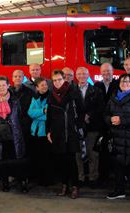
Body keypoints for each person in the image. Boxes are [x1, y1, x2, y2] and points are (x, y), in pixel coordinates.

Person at [104, 74, 130, 202]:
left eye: (128, 82)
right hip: (116, 137)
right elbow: (105, 114)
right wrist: (109, 119)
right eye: (122, 81)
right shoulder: (113, 98)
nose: (125, 83)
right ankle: (119, 190)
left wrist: (122, 120)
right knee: (118, 166)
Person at [0, 76, 28, 193]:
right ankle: (5, 182)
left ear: (8, 85)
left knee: (17, 159)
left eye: (4, 85)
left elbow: (20, 116)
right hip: (0, 135)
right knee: (3, 160)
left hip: (14, 134)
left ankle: (22, 182)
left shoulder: (15, 100)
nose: (1, 88)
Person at [46, 70, 81, 199]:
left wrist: (78, 127)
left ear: (64, 79)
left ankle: (75, 187)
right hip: (57, 133)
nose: (57, 82)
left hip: (70, 133)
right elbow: (49, 116)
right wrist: (48, 131)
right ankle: (64, 185)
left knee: (72, 162)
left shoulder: (73, 92)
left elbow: (81, 111)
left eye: (59, 79)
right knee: (61, 162)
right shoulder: (51, 95)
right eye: (54, 80)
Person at [75, 67, 104, 188]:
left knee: (93, 154)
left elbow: (101, 107)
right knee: (78, 154)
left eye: (84, 74)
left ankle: (93, 178)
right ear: (76, 76)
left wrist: (89, 115)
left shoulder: (96, 91)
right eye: (79, 74)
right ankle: (80, 178)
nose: (82, 76)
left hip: (92, 127)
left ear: (88, 75)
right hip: (77, 127)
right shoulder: (71, 90)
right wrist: (80, 118)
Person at [94, 63, 119, 183]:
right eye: (104, 71)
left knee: (116, 149)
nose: (106, 73)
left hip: (114, 121)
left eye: (108, 71)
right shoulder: (96, 85)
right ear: (100, 72)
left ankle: (116, 175)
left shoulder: (118, 85)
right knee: (102, 149)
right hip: (101, 122)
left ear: (112, 72)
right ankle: (103, 176)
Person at [27, 77, 52, 186]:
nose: (44, 87)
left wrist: (38, 115)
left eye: (45, 84)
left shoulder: (51, 98)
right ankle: (39, 178)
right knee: (37, 157)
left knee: (47, 157)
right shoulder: (35, 98)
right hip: (35, 132)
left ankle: (47, 179)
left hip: (46, 132)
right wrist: (42, 111)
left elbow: (49, 116)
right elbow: (30, 113)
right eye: (41, 85)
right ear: (37, 87)